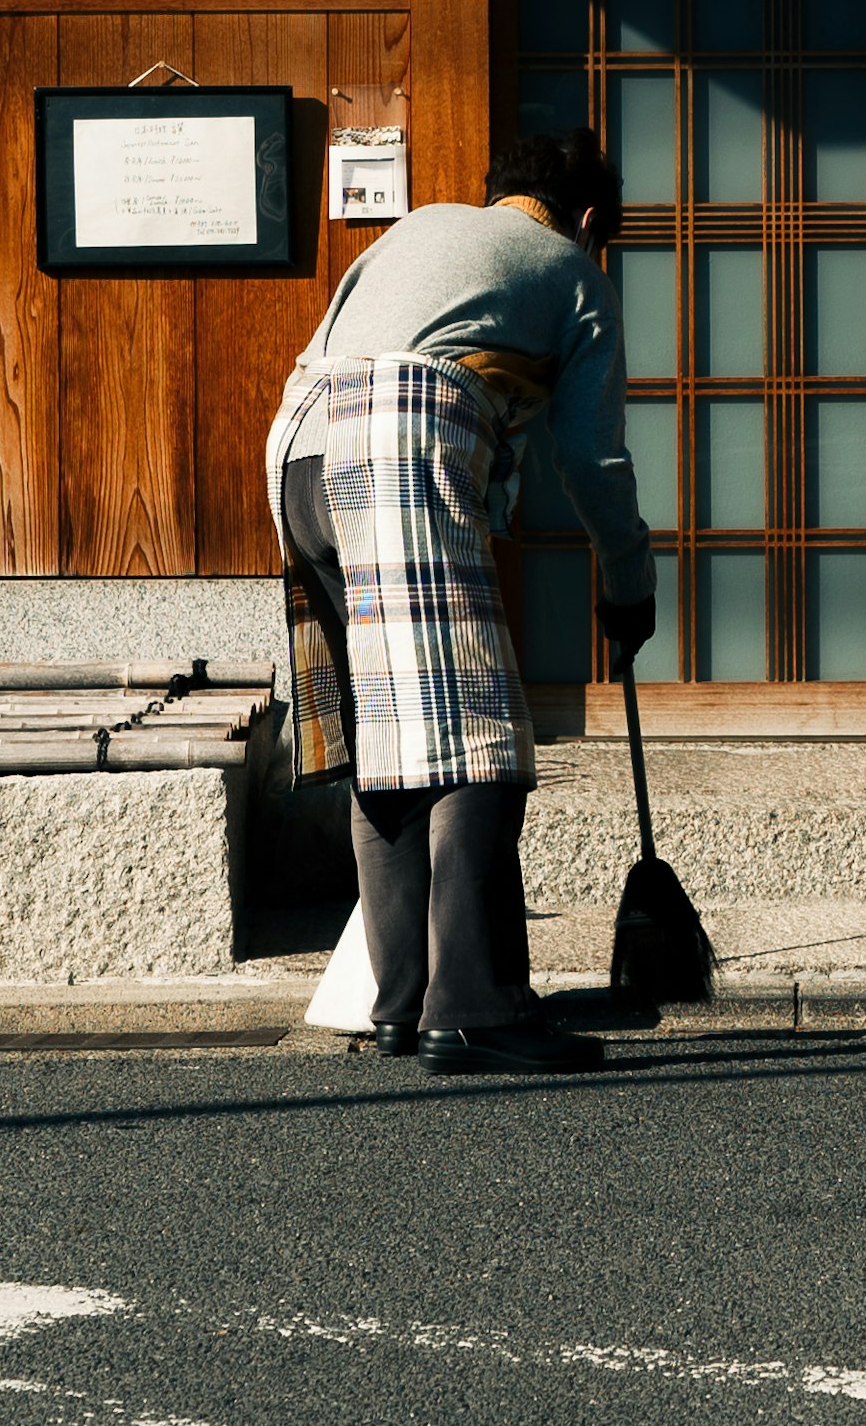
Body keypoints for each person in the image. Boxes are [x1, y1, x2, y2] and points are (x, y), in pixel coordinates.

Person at [269, 129, 660, 1074]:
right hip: (397, 444)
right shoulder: (572, 270)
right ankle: (476, 1006)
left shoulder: (414, 230)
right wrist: (629, 584)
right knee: (474, 739)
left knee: (387, 737)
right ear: (592, 219)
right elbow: (594, 459)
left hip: (297, 452)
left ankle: (401, 1001)